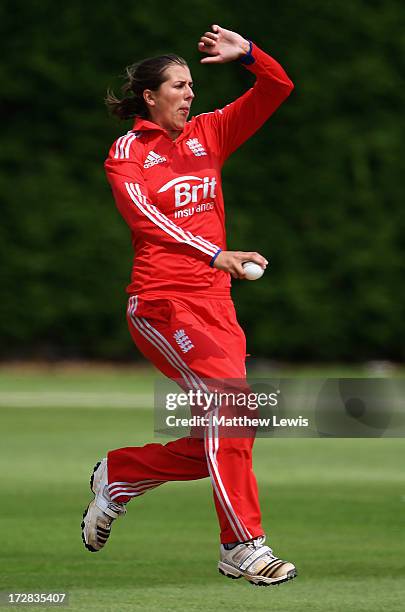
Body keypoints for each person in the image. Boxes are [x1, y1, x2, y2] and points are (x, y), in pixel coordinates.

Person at [81, 24, 296, 587]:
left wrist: (249, 54)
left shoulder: (210, 134)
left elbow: (278, 88)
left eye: (193, 84)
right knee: (230, 412)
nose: (191, 93)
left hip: (216, 308)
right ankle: (242, 546)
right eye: (179, 85)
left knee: (228, 435)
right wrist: (215, 251)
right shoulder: (127, 152)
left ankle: (122, 472)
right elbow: (145, 220)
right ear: (150, 96)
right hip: (161, 305)